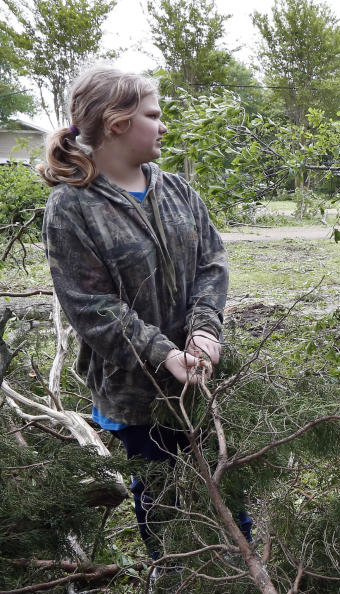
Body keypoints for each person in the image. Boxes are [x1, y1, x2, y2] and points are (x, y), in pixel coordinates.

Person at [38, 66, 251, 559]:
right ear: (116, 123)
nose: (163, 126)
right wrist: (162, 353)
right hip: (138, 389)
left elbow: (212, 264)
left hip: (204, 370)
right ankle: (174, 579)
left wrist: (202, 332)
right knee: (163, 495)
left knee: (227, 481)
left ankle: (242, 570)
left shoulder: (176, 190)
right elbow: (91, 307)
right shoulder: (73, 208)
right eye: (153, 116)